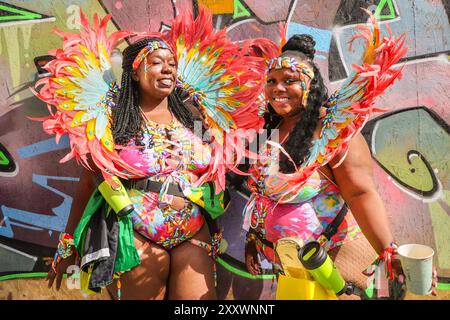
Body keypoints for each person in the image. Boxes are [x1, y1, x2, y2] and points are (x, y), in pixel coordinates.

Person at [241, 33, 409, 299]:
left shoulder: (332, 132)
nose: (277, 88)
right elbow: (262, 194)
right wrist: (254, 238)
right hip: (292, 269)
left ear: (312, 85)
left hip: (336, 262)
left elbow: (360, 194)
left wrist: (389, 251)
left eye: (290, 81)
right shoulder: (268, 131)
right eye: (271, 81)